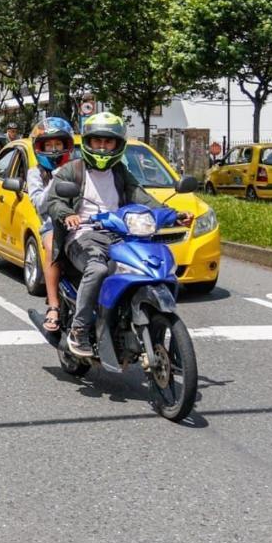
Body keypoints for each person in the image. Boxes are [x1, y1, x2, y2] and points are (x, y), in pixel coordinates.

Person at [45, 112, 193, 358]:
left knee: (147, 267)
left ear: (117, 145)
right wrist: (67, 214)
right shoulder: (72, 170)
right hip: (82, 235)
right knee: (98, 269)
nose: (102, 147)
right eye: (97, 141)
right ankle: (79, 330)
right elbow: (55, 200)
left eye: (108, 142)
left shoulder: (120, 172)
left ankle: (145, 325)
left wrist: (172, 214)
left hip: (120, 235)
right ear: (89, 143)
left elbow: (141, 196)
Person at [26, 117, 75, 332]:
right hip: (52, 224)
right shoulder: (36, 173)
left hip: (82, 222)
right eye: (49, 146)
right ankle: (53, 305)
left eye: (58, 145)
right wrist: (56, 178)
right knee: (51, 244)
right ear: (40, 148)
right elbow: (39, 205)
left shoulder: (78, 168)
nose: (54, 150)